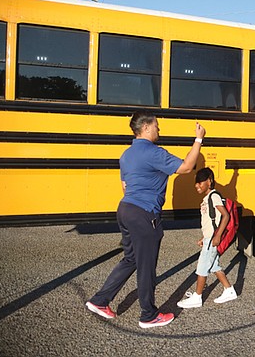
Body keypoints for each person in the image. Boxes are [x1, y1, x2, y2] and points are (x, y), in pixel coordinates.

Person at [85, 111, 205, 328]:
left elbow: (124, 186)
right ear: (147, 127)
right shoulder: (153, 153)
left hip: (125, 209)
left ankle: (100, 300)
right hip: (144, 214)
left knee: (131, 259)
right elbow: (187, 167)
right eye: (157, 126)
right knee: (147, 266)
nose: (159, 130)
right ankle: (148, 315)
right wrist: (198, 139)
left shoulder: (127, 154)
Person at [177, 168, 237, 309]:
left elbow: (226, 215)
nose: (197, 186)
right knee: (214, 265)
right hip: (209, 238)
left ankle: (197, 297)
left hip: (213, 239)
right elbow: (211, 220)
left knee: (202, 267)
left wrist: (217, 236)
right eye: (196, 183)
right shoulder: (207, 198)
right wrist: (204, 238)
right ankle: (229, 290)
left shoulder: (214, 196)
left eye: (200, 182)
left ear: (209, 181)